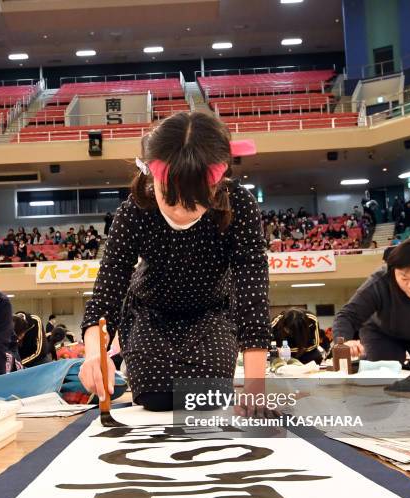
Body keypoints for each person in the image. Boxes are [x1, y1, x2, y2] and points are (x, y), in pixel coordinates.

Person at [79, 111, 271, 411]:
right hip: (150, 313)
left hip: (211, 313)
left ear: (218, 182)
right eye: (169, 197)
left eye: (194, 201)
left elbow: (252, 295)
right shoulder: (134, 210)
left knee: (206, 398)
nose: (181, 211)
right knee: (156, 398)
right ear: (151, 176)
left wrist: (255, 385)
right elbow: (109, 288)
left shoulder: (240, 205)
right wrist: (94, 355)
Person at [333, 237, 410, 368]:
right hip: (383, 333)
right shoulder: (380, 281)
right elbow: (347, 316)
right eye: (404, 278)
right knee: (385, 369)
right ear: (393, 269)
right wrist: (344, 342)